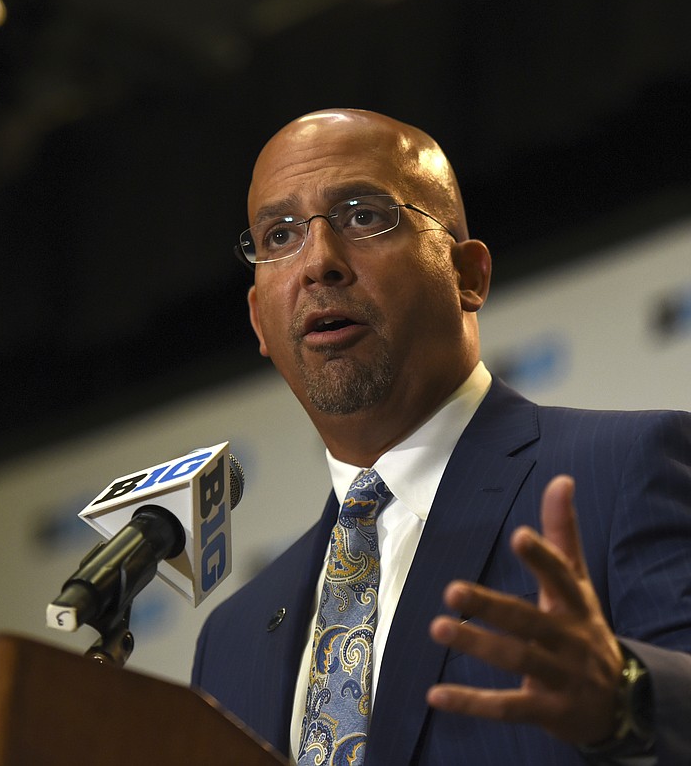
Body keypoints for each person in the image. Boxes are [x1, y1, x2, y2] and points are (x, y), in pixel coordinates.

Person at [191, 108, 691, 765]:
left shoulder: (622, 470)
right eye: (280, 234)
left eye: (363, 215)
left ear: (468, 275)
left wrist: (627, 699)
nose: (319, 263)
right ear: (259, 318)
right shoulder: (230, 638)